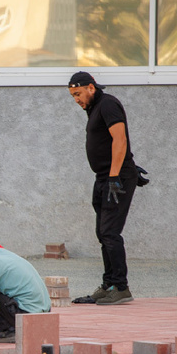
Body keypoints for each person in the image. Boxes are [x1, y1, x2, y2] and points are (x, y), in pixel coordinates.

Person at [68, 71, 140, 305]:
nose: (76, 99)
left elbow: (120, 139)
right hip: (104, 177)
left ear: (91, 87)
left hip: (114, 178)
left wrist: (116, 175)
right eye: (73, 96)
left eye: (78, 94)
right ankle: (109, 283)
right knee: (102, 233)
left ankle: (121, 287)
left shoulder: (108, 104)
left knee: (110, 232)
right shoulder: (94, 108)